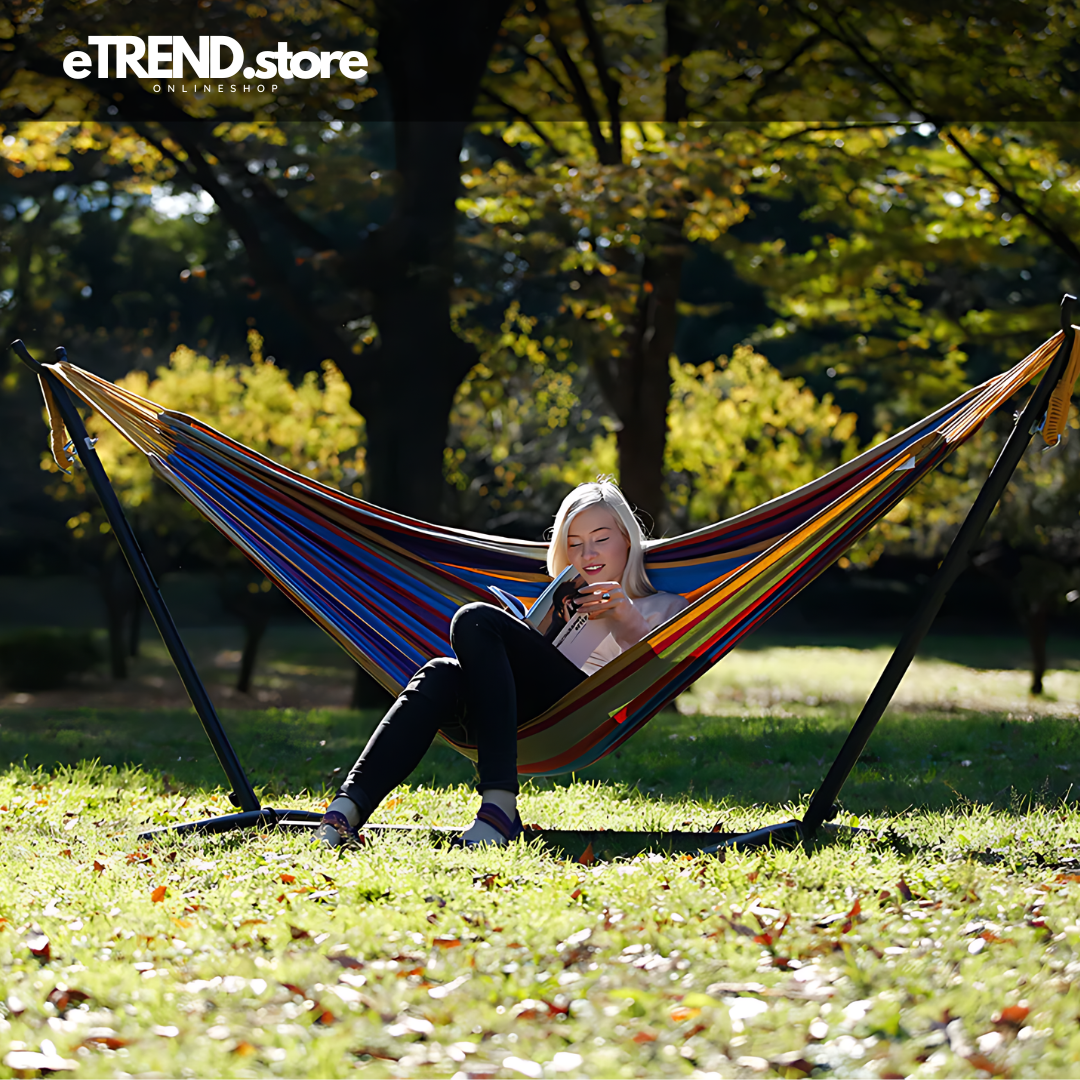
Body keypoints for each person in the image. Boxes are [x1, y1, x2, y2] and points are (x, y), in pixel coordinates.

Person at [317, 478, 689, 848]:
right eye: (574, 544)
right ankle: (346, 810)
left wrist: (628, 619)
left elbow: (664, 677)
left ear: (627, 538)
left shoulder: (666, 606)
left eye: (601, 539)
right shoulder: (564, 600)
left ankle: (498, 808)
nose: (587, 554)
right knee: (439, 673)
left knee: (475, 618)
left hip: (581, 714)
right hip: (519, 715)